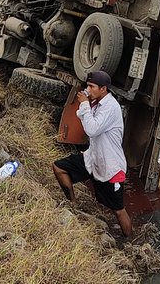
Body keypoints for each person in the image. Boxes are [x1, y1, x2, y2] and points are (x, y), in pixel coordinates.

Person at [53, 71, 134, 237]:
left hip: (110, 165)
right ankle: (73, 206)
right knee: (59, 167)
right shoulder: (97, 102)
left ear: (103, 89)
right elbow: (83, 118)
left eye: (92, 86)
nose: (88, 89)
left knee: (119, 210)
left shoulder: (111, 107)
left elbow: (92, 129)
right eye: (87, 85)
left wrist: (84, 105)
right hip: (93, 157)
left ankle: (130, 242)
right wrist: (85, 104)